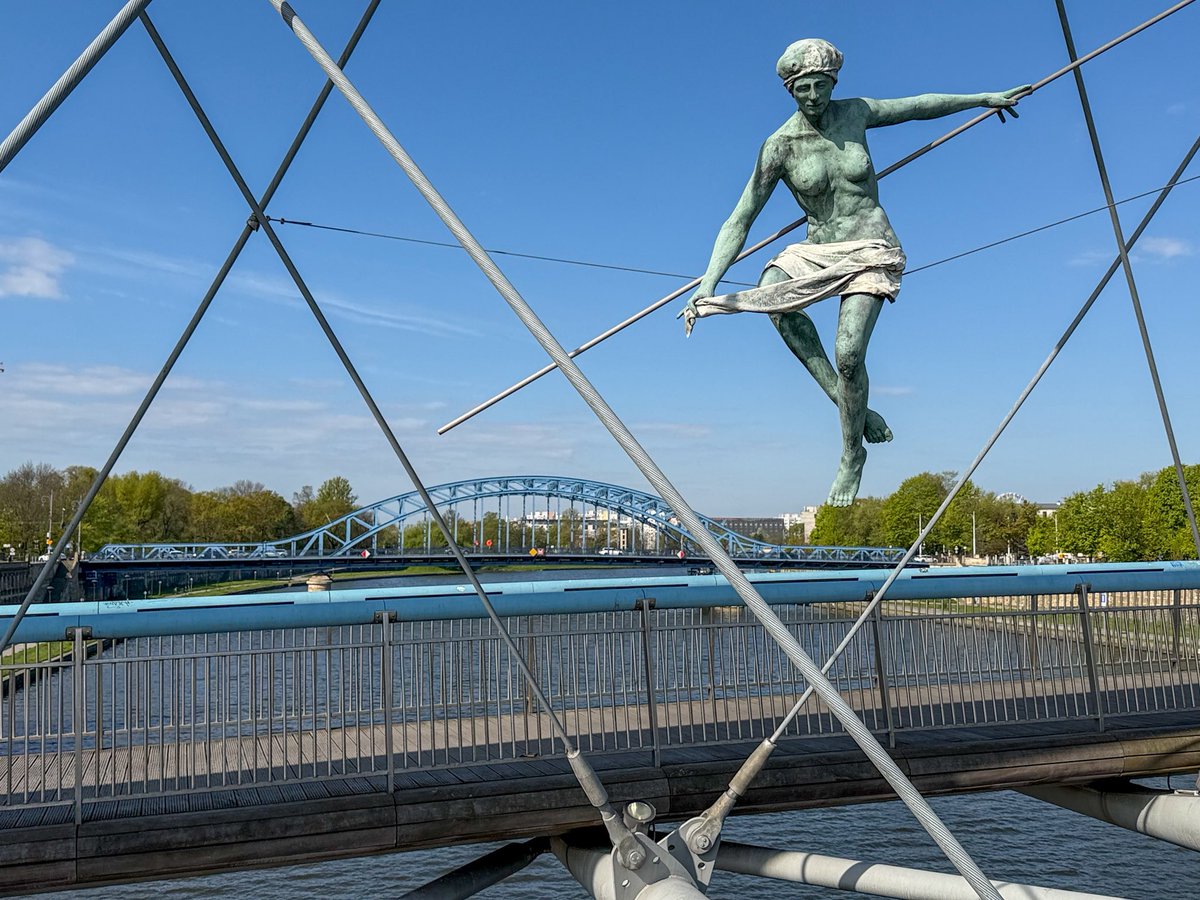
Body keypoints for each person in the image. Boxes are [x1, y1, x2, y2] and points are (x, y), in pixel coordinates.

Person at [682, 38, 1028, 506]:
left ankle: (850, 455)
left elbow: (919, 106)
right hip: (816, 247)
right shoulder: (779, 146)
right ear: (789, 89)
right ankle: (850, 406)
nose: (813, 97)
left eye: (821, 86)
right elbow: (740, 218)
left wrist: (980, 99)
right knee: (772, 295)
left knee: (849, 353)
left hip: (869, 246)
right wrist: (707, 288)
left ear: (833, 83)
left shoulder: (856, 114)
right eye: (803, 88)